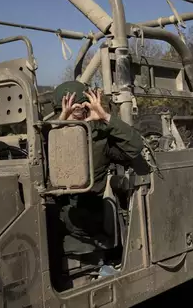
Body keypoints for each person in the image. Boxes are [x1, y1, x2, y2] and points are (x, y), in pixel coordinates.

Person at [51, 80, 144, 255]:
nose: (75, 112)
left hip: (85, 219)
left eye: (79, 108)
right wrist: (60, 125)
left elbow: (135, 147)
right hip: (54, 213)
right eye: (69, 109)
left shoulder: (99, 138)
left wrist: (105, 117)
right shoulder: (51, 136)